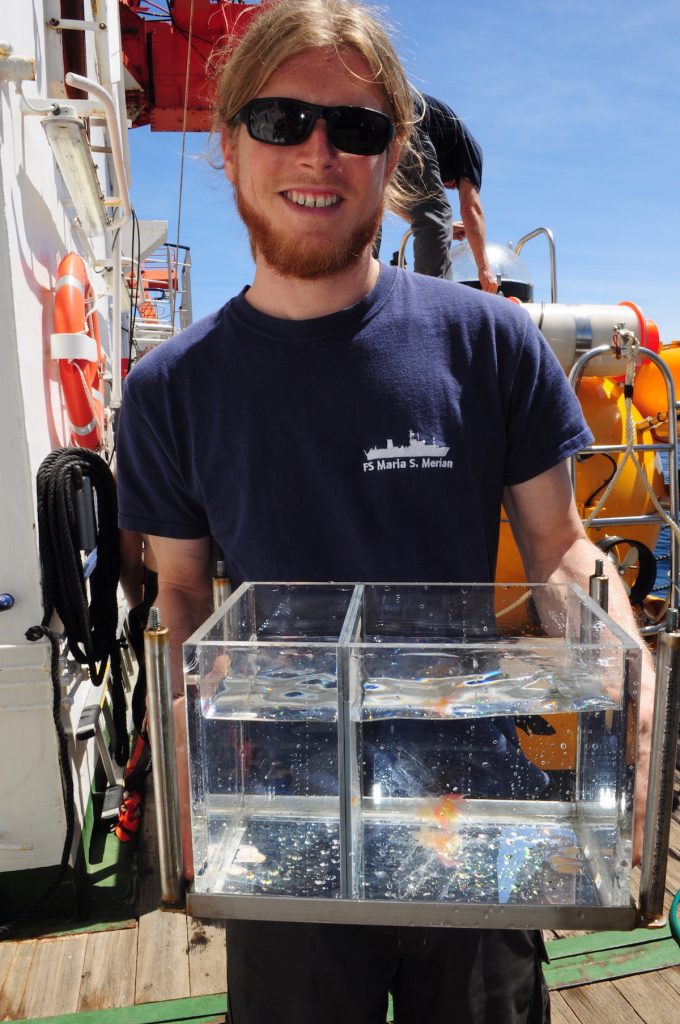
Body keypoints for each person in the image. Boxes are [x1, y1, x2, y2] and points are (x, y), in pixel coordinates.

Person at [115, 1, 654, 1021]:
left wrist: (622, 671)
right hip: (279, 824)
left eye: (355, 128)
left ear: (393, 154)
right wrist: (191, 769)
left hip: (479, 803)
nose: (316, 153)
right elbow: (183, 592)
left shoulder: (491, 344)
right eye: (280, 121)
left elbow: (559, 548)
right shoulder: (169, 391)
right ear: (229, 148)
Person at [394, 90, 498, 290]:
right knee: (436, 217)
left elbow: (397, 200)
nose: (448, 186)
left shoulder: (439, 143)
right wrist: (485, 269)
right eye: (455, 185)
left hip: (378, 109)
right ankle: (433, 304)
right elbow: (471, 208)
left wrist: (446, 226)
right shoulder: (472, 150)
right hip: (405, 111)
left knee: (364, 206)